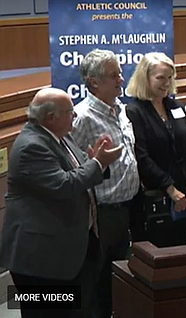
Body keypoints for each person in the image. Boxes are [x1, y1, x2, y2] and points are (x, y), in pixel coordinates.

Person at [0, 88, 122, 318]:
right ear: (49, 117)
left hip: (65, 252)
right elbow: (64, 185)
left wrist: (95, 159)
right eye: (70, 112)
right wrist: (97, 163)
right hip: (39, 260)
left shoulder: (61, 137)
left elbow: (80, 168)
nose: (74, 117)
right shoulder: (31, 147)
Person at [71, 48, 140, 318]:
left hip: (126, 209)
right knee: (96, 282)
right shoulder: (82, 117)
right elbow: (73, 166)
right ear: (93, 82)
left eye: (120, 73)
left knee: (119, 278)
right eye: (114, 75)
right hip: (102, 213)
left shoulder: (120, 110)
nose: (121, 80)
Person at [125, 52, 186, 248]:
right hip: (155, 197)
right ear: (145, 78)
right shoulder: (134, 111)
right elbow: (141, 156)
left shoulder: (175, 106)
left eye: (169, 78)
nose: (166, 83)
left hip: (185, 196)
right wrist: (170, 188)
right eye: (160, 78)